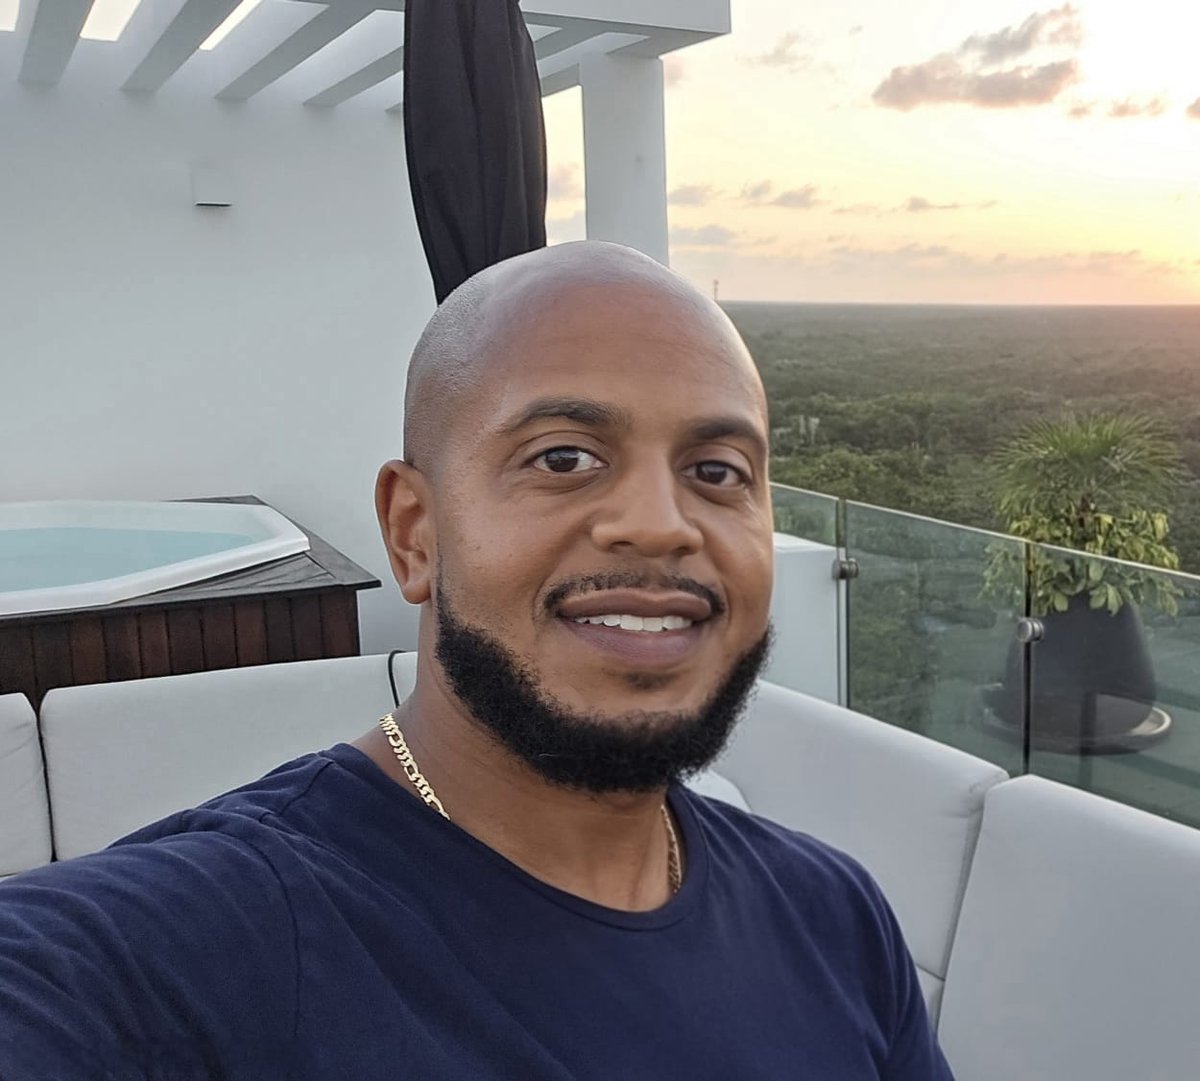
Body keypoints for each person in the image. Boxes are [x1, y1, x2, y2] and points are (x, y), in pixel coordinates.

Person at [0, 242, 953, 1079]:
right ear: (415, 534)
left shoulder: (833, 917)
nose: (662, 523)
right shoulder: (189, 949)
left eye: (717, 473)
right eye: (565, 457)